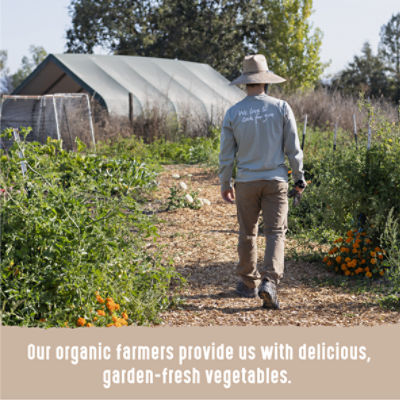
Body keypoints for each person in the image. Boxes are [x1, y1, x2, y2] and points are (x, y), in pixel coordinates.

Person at [218, 54, 306, 310]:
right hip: (276, 180)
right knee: (276, 232)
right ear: (266, 81)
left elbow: (226, 154)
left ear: (245, 82)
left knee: (247, 233)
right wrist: (298, 176)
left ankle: (248, 283)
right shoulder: (281, 108)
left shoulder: (233, 112)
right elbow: (293, 148)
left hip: (246, 182)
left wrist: (226, 183)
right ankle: (269, 282)